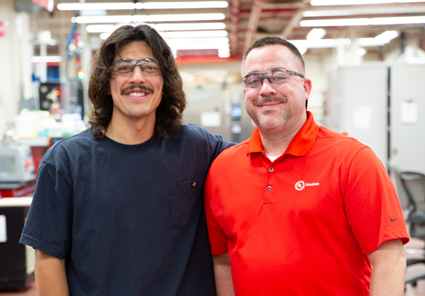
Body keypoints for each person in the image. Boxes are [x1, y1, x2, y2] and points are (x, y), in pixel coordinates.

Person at [20, 24, 232, 296]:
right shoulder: (66, 161)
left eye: (149, 67)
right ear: (107, 84)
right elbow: (49, 257)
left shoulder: (198, 147)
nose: (137, 77)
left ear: (164, 82)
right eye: (123, 68)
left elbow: (260, 162)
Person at [204, 36, 409, 296]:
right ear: (245, 92)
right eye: (253, 80)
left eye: (279, 76)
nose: (265, 89)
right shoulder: (222, 169)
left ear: (306, 87)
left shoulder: (352, 160)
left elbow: (389, 257)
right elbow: (223, 261)